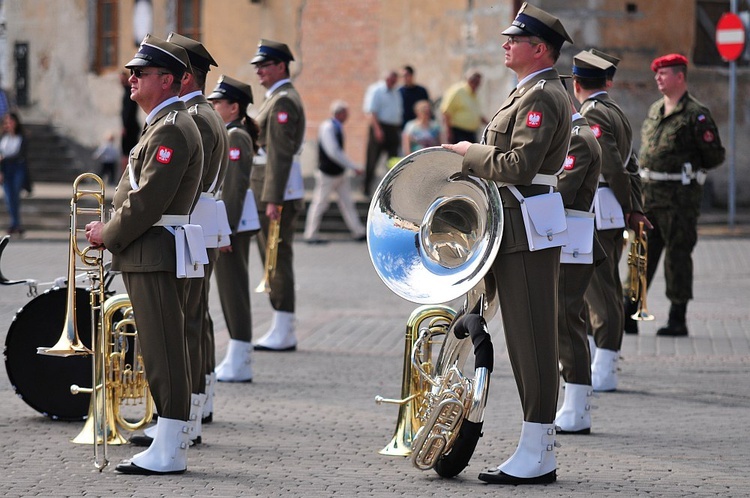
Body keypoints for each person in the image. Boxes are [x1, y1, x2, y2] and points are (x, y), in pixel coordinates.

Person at [443, 2, 573, 485]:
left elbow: (518, 165)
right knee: (521, 336)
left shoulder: (542, 96)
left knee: (532, 338)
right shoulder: (526, 92)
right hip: (511, 225)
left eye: (514, 40)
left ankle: (539, 451)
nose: (505, 44)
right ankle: (534, 445)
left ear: (539, 49)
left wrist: (468, 152)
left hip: (525, 228)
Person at [85, 34, 203, 475]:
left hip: (153, 250)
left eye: (142, 73)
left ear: (168, 79)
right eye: (132, 72)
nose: (131, 78)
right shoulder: (161, 123)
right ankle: (168, 442)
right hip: (148, 250)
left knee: (164, 350)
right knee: (159, 348)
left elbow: (147, 199)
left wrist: (106, 233)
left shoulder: (171, 127)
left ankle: (171, 450)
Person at [574, 50, 650, 392]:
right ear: (606, 81)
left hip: (599, 208)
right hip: (609, 209)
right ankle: (596, 362)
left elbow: (614, 168)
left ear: (576, 83)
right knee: (597, 287)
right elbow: (630, 167)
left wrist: (629, 207)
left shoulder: (594, 114)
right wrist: (634, 207)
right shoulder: (615, 110)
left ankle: (604, 367)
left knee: (600, 289)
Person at [635, 54, 725, 337]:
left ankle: (677, 317)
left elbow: (714, 155)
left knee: (677, 257)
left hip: (679, 201)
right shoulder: (655, 109)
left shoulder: (696, 115)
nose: (658, 78)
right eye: (656, 74)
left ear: (680, 77)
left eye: (663, 74)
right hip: (649, 197)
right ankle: (630, 310)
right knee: (641, 254)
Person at [249, 39, 306, 352]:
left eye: (264, 65)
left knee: (276, 259)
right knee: (274, 259)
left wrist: (272, 198)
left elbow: (280, 154)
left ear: (281, 66)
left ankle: (284, 327)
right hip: (270, 189)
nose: (258, 71)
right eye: (257, 66)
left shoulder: (283, 100)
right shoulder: (276, 97)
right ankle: (281, 323)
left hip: (275, 192)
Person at [554, 93, 602, 436]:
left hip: (570, 236)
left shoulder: (579, 139)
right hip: (563, 235)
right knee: (563, 318)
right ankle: (573, 400)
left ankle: (577, 405)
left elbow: (562, 190)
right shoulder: (572, 135)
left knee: (566, 319)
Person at [208, 75, 259, 381]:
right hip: (229, 225)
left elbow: (234, 188)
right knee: (229, 290)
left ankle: (240, 359)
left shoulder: (236, 137)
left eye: (217, 102)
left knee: (234, 290)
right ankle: (238, 355)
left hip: (232, 226)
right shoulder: (230, 133)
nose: (213, 106)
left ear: (234, 107)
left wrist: (224, 229)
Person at [303, 100, 366, 244]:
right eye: (346, 113)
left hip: (339, 173)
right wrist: (352, 165)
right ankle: (310, 234)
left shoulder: (336, 127)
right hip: (327, 174)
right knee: (320, 203)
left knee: (347, 203)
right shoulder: (328, 127)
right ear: (340, 113)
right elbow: (333, 152)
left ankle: (358, 231)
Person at [362, 70, 402, 196]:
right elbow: (371, 111)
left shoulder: (396, 92)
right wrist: (377, 129)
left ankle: (391, 190)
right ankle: (366, 189)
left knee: (393, 160)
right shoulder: (376, 90)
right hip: (380, 127)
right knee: (372, 159)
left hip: (393, 129)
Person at [440, 69, 486, 143]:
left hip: (471, 133)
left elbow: (476, 113)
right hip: (458, 132)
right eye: (475, 82)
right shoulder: (457, 91)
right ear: (469, 80)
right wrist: (448, 132)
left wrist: (489, 123)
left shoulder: (474, 94)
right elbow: (446, 112)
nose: (477, 85)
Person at [0, 112, 28, 235]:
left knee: (15, 196)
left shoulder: (21, 137)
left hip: (17, 169)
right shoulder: (3, 137)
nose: (9, 124)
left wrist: (4, 157)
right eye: (7, 122)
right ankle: (14, 223)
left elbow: (20, 155)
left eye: (11, 121)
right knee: (8, 197)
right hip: (5, 170)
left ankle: (16, 224)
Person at [120, 70, 142, 172]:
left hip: (130, 127)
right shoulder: (126, 91)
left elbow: (128, 112)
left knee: (127, 153)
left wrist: (125, 126)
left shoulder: (130, 91)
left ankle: (127, 175)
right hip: (130, 126)